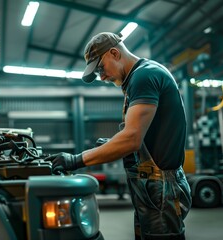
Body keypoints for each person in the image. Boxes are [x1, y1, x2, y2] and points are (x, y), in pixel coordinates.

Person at [45, 32, 192, 240]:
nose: (102, 77)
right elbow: (145, 135)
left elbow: (132, 139)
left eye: (100, 68)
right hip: (152, 187)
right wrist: (112, 144)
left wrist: (75, 160)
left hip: (160, 189)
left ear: (114, 53)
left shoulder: (144, 76)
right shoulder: (138, 78)